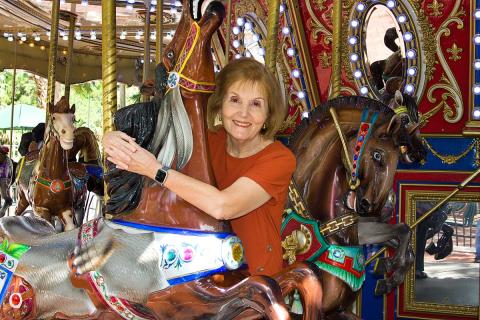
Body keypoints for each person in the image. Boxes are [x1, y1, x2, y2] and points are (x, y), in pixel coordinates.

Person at [104, 58, 295, 276]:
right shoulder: (207, 141)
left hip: (254, 280)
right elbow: (152, 138)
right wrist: (111, 139)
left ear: (268, 113)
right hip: (202, 271)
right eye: (234, 100)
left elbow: (224, 206)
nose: (244, 113)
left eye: (256, 104)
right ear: (220, 103)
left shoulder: (279, 158)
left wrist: (155, 170)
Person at [0, 146, 13, 217]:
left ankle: (8, 200)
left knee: (4, 194)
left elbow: (7, 176)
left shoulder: (7, 162)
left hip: (4, 178)